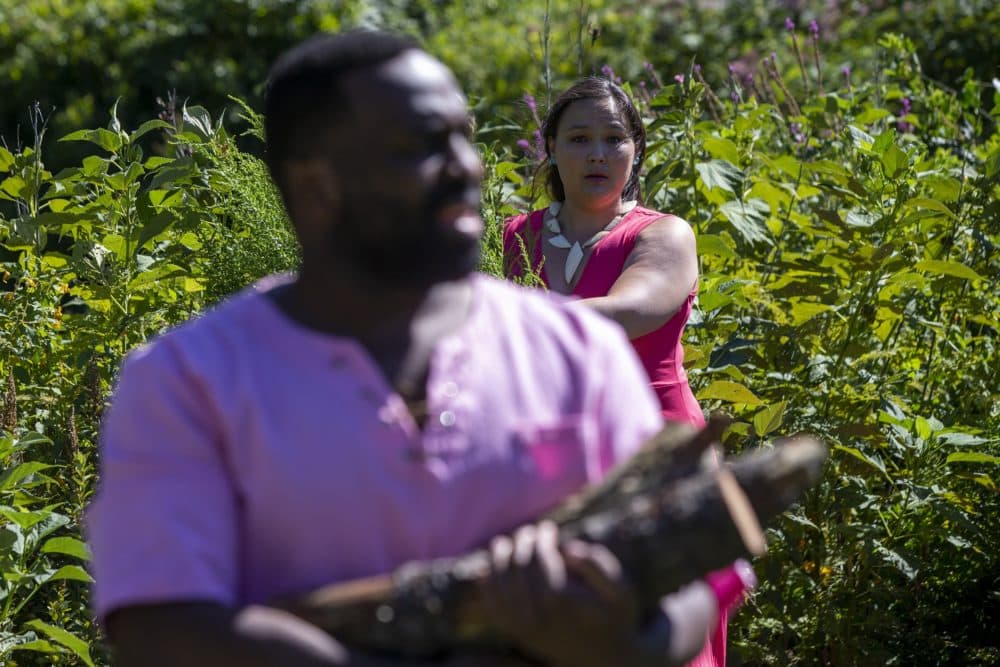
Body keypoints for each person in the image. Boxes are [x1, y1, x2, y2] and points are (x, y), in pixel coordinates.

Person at [86, 31, 737, 667]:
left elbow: (695, 577)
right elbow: (157, 620)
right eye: (419, 146)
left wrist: (617, 644)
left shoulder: (574, 353)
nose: (467, 166)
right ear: (315, 185)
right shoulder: (189, 381)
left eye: (463, 137)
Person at [503, 79, 727, 667]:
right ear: (551, 148)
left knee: (659, 627)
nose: (597, 154)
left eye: (613, 139)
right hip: (547, 459)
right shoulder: (510, 238)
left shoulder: (663, 234)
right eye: (579, 139)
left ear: (636, 151)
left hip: (659, 446)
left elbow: (630, 311)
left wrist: (494, 319)